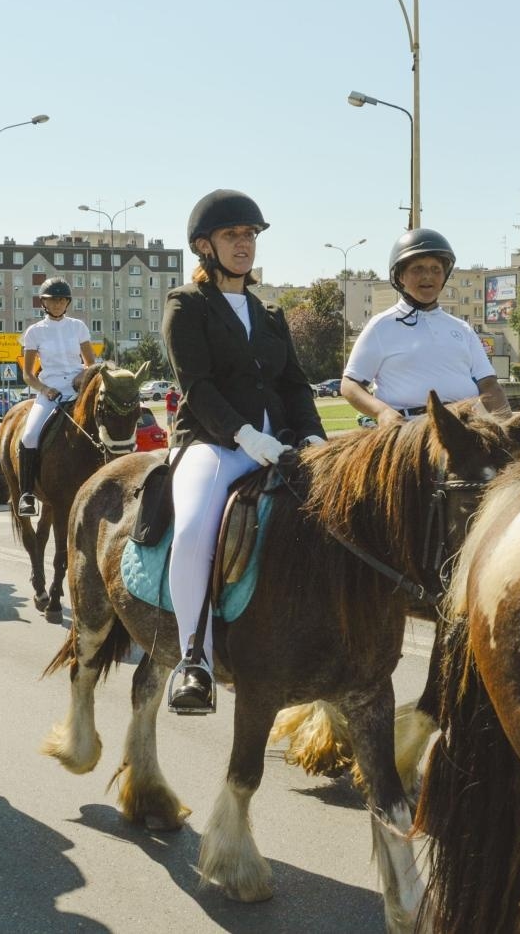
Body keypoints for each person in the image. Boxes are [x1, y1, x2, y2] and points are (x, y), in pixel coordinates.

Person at [163, 190, 326, 714]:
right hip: (216, 443)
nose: (244, 244)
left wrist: (314, 436)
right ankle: (194, 658)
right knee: (193, 531)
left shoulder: (270, 312)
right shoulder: (186, 304)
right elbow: (196, 386)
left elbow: (295, 384)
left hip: (282, 445)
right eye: (232, 235)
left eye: (250, 234)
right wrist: (244, 436)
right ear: (204, 245)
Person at [340, 228, 510, 423]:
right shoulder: (381, 326)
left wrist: (507, 429)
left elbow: (489, 384)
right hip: (409, 429)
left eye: (436, 269)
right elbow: (350, 384)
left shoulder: (462, 329)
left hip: (465, 427)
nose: (428, 276)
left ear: (444, 277)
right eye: (417, 269)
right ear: (400, 276)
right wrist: (382, 412)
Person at [14, 277, 97, 518]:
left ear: (67, 302)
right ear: (44, 303)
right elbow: (28, 375)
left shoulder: (78, 327)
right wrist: (45, 389)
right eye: (53, 300)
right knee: (29, 436)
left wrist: (82, 375)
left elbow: (91, 364)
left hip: (77, 387)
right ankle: (26, 494)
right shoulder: (34, 332)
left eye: (62, 300)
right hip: (50, 392)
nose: (58, 304)